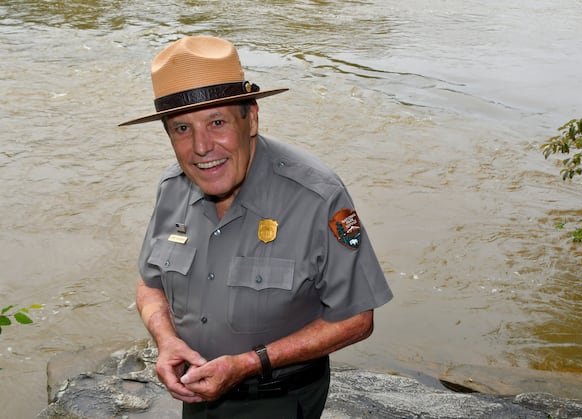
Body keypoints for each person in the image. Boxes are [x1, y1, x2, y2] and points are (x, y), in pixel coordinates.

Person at [119, 35, 393, 419]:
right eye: (182, 129)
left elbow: (356, 319)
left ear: (252, 118)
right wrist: (166, 342)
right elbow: (150, 284)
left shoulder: (317, 197)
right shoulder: (172, 188)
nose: (201, 147)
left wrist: (249, 363)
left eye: (217, 122)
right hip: (195, 396)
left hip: (277, 400)